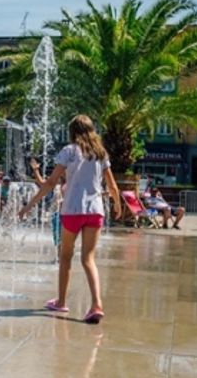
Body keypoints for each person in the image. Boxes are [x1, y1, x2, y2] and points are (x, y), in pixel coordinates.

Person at [20, 114, 122, 325]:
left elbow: (50, 183)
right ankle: (96, 304)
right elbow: (111, 185)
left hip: (73, 210)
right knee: (88, 259)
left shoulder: (69, 151)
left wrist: (29, 205)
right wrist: (118, 204)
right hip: (95, 211)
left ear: (72, 132)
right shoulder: (100, 154)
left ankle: (61, 301)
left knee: (65, 257)